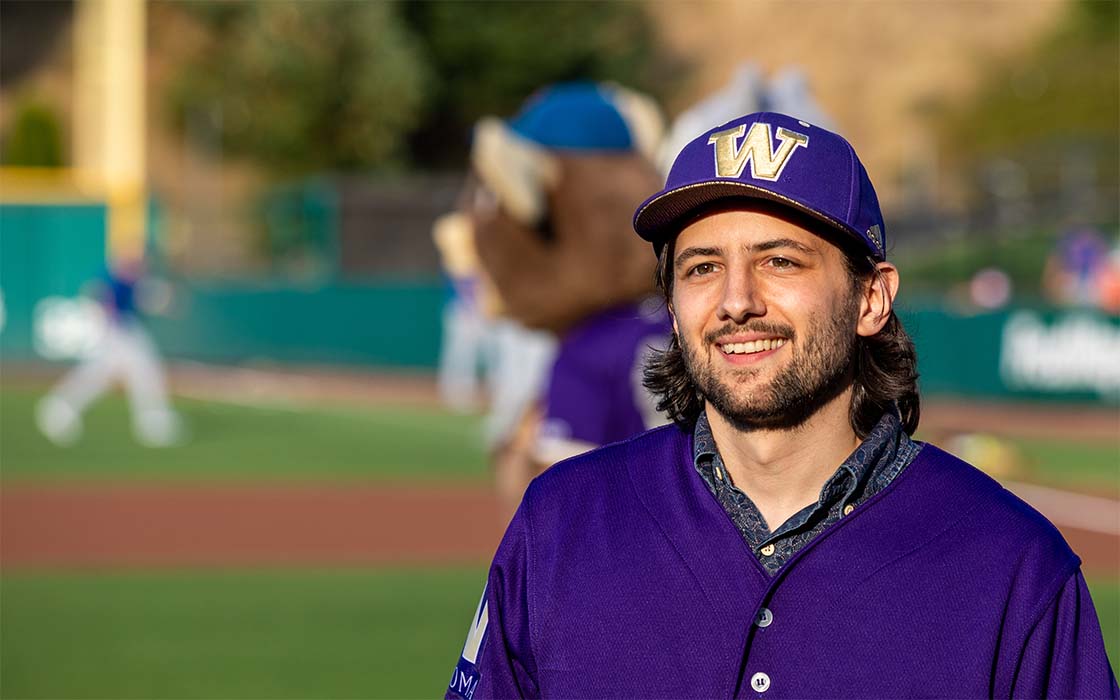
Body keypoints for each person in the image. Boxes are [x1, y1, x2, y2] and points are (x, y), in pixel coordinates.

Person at [446, 112, 1118, 699]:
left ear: (871, 299)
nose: (737, 301)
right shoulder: (561, 521)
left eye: (780, 262)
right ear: (674, 312)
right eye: (702, 267)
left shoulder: (1014, 566)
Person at [36, 257, 183, 447]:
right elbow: (99, 299)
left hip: (122, 330)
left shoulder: (130, 281)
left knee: (105, 375)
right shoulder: (111, 278)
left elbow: (145, 298)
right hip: (117, 332)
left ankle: (59, 408)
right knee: (141, 372)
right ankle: (154, 423)